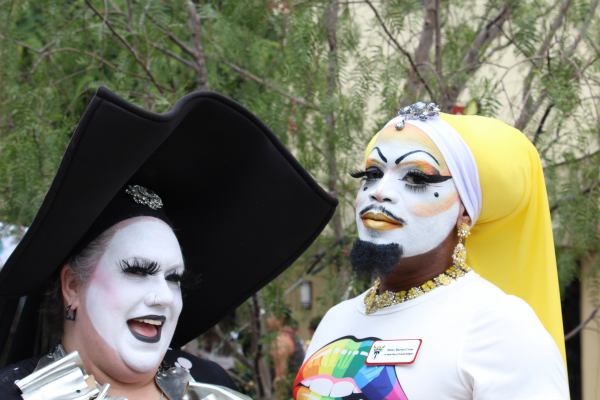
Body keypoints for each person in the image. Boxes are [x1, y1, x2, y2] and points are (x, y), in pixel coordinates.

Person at [0, 87, 336, 399]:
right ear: (72, 285)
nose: (163, 297)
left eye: (174, 278)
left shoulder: (212, 385)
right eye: (137, 270)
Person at [293, 102, 569, 399]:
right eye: (371, 174)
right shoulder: (337, 318)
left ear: (465, 212)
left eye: (416, 178)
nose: (379, 191)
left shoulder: (500, 329)